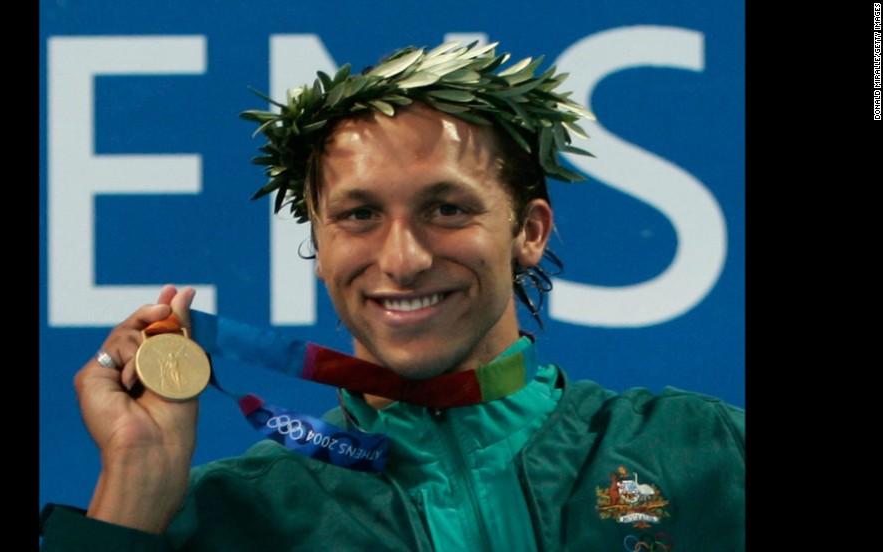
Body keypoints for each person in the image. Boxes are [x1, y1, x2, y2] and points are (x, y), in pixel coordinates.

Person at [39, 40, 745, 551]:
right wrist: (135, 483)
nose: (402, 259)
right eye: (359, 215)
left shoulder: (703, 454)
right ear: (320, 243)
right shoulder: (236, 519)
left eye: (447, 209)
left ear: (528, 231)